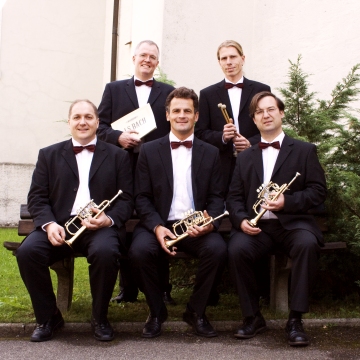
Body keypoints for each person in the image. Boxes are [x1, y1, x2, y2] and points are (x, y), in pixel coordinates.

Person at [16, 100, 133, 342]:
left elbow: (127, 199)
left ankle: (99, 318)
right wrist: (48, 224)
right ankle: (49, 318)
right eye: (77, 117)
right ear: (69, 122)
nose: (83, 122)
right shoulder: (48, 154)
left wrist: (108, 219)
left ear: (98, 123)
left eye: (89, 117)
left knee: (106, 252)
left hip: (98, 227)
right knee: (28, 252)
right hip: (59, 225)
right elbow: (37, 197)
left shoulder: (118, 156)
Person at [226, 91, 327, 346]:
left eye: (270, 109)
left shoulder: (304, 150)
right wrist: (240, 221)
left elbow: (318, 192)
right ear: (254, 119)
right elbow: (234, 197)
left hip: (292, 225)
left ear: (281, 113)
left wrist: (287, 202)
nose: (266, 115)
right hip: (258, 228)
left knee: (306, 244)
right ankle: (252, 316)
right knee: (236, 248)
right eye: (259, 112)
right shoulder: (246, 156)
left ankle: (295, 320)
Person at [128, 87, 227, 338]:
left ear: (196, 116)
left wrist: (209, 223)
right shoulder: (148, 151)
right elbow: (142, 197)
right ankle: (156, 311)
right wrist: (157, 227)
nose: (181, 115)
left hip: (197, 226)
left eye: (187, 111)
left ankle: (196, 311)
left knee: (217, 249)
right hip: (159, 223)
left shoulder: (211, 152)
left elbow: (217, 197)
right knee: (139, 251)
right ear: (167, 115)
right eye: (176, 111)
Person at [97, 40, 175, 304]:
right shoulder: (114, 89)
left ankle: (163, 289)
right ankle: (126, 288)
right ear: (133, 58)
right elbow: (99, 127)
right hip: (120, 168)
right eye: (143, 55)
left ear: (157, 62)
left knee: (158, 219)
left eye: (153, 56)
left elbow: (173, 128)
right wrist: (118, 138)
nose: (147, 60)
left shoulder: (168, 92)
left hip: (156, 169)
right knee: (124, 224)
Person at [195, 40, 270, 194]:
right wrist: (222, 137)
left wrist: (250, 143)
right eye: (224, 58)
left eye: (233, 57)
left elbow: (270, 127)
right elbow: (200, 133)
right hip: (221, 166)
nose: (228, 62)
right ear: (219, 62)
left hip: (254, 161)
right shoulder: (207, 94)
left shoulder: (261, 89)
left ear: (243, 59)